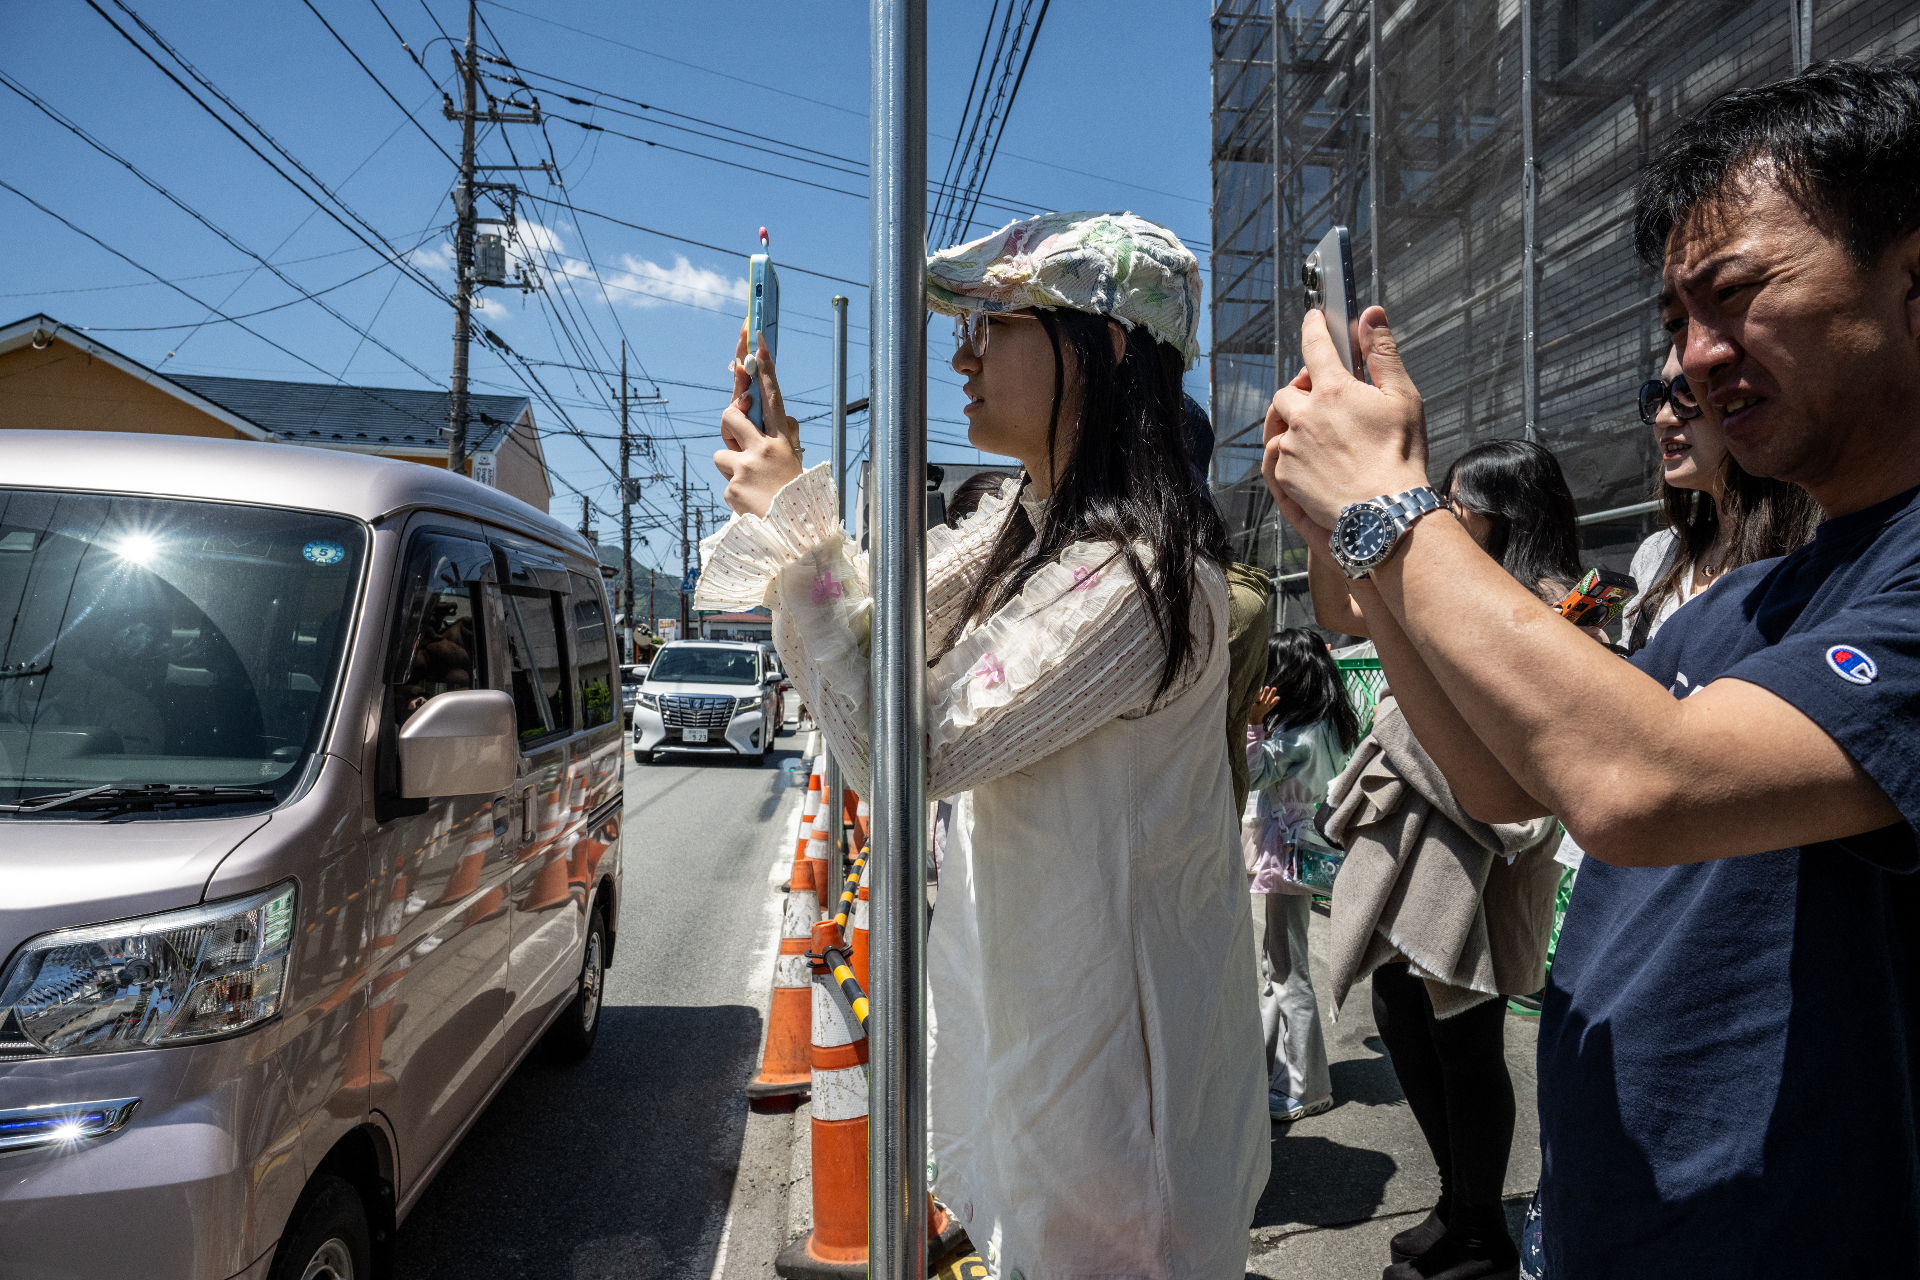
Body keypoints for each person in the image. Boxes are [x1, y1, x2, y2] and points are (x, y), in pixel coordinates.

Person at [1261, 58, 1920, 1278]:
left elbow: (1639, 783)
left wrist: (1391, 508)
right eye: (1675, 319)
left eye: (1733, 294)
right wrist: (1350, 529)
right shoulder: (1756, 593)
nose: (1691, 362)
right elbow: (1506, 777)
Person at [698, 211, 1267, 1280]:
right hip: (1048, 1045)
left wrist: (798, 529)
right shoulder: (1026, 526)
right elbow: (871, 626)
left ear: (1100, 346)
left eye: (992, 322)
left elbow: (906, 747)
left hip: (1120, 1118)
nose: (961, 353)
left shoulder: (1136, 573)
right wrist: (795, 505)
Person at [1311, 439, 1579, 1280]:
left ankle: (1479, 1231)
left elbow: (1531, 760)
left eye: (1455, 503)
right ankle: (1453, 1199)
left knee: (1466, 1046)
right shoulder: (1442, 590)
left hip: (1482, 858)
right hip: (1413, 850)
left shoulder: (1553, 607)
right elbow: (1336, 609)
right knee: (1402, 1022)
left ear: (1506, 515)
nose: (1439, 515)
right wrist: (1331, 519)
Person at [1622, 346, 1822, 649]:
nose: (1664, 417)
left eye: (1687, 393)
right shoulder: (1656, 554)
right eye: (1656, 395)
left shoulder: (1820, 558)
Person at [1244, 629, 1356, 1122]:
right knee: (1278, 966)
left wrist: (1253, 724)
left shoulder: (1296, 734)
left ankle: (1307, 1086)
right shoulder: (1326, 724)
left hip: (1287, 851)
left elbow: (1251, 772)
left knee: (1288, 971)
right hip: (1304, 848)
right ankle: (1269, 1071)